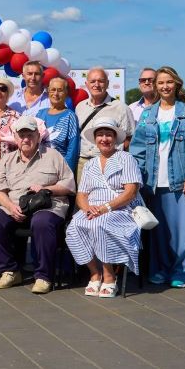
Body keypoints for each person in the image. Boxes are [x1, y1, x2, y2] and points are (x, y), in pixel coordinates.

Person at [0, 116, 75, 294]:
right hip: (15, 206)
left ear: (38, 136)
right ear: (15, 138)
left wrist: (47, 189)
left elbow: (69, 186)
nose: (26, 139)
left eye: (30, 135)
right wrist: (10, 207)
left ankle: (44, 276)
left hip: (47, 206)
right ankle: (10, 271)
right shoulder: (7, 159)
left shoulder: (53, 156)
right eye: (22, 135)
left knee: (41, 222)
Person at [130, 66, 185, 288]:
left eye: (169, 82)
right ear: (155, 86)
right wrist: (137, 177)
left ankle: (182, 272)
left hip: (180, 181)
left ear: (176, 84)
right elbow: (137, 148)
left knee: (182, 231)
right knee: (159, 232)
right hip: (152, 182)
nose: (165, 86)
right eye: (160, 83)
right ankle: (160, 269)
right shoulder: (148, 114)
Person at [66, 117, 143, 298]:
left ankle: (109, 275)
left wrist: (106, 207)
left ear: (115, 138)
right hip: (93, 209)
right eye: (100, 135)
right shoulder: (90, 164)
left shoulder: (126, 158)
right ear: (95, 139)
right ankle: (95, 273)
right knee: (74, 226)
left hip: (120, 209)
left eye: (108, 135)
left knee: (100, 224)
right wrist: (87, 209)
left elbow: (131, 192)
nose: (104, 139)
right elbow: (81, 195)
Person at [75, 67, 135, 183]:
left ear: (107, 84)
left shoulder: (121, 108)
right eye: (92, 81)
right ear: (86, 84)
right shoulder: (80, 107)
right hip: (83, 163)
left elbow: (128, 138)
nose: (96, 85)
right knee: (83, 194)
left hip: (110, 162)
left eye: (101, 81)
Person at [36, 77, 80, 171]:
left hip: (59, 168)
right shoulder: (40, 114)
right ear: (48, 91)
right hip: (38, 167)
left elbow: (72, 148)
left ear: (66, 93)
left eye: (60, 90)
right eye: (53, 89)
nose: (56, 93)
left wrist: (66, 171)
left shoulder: (70, 116)